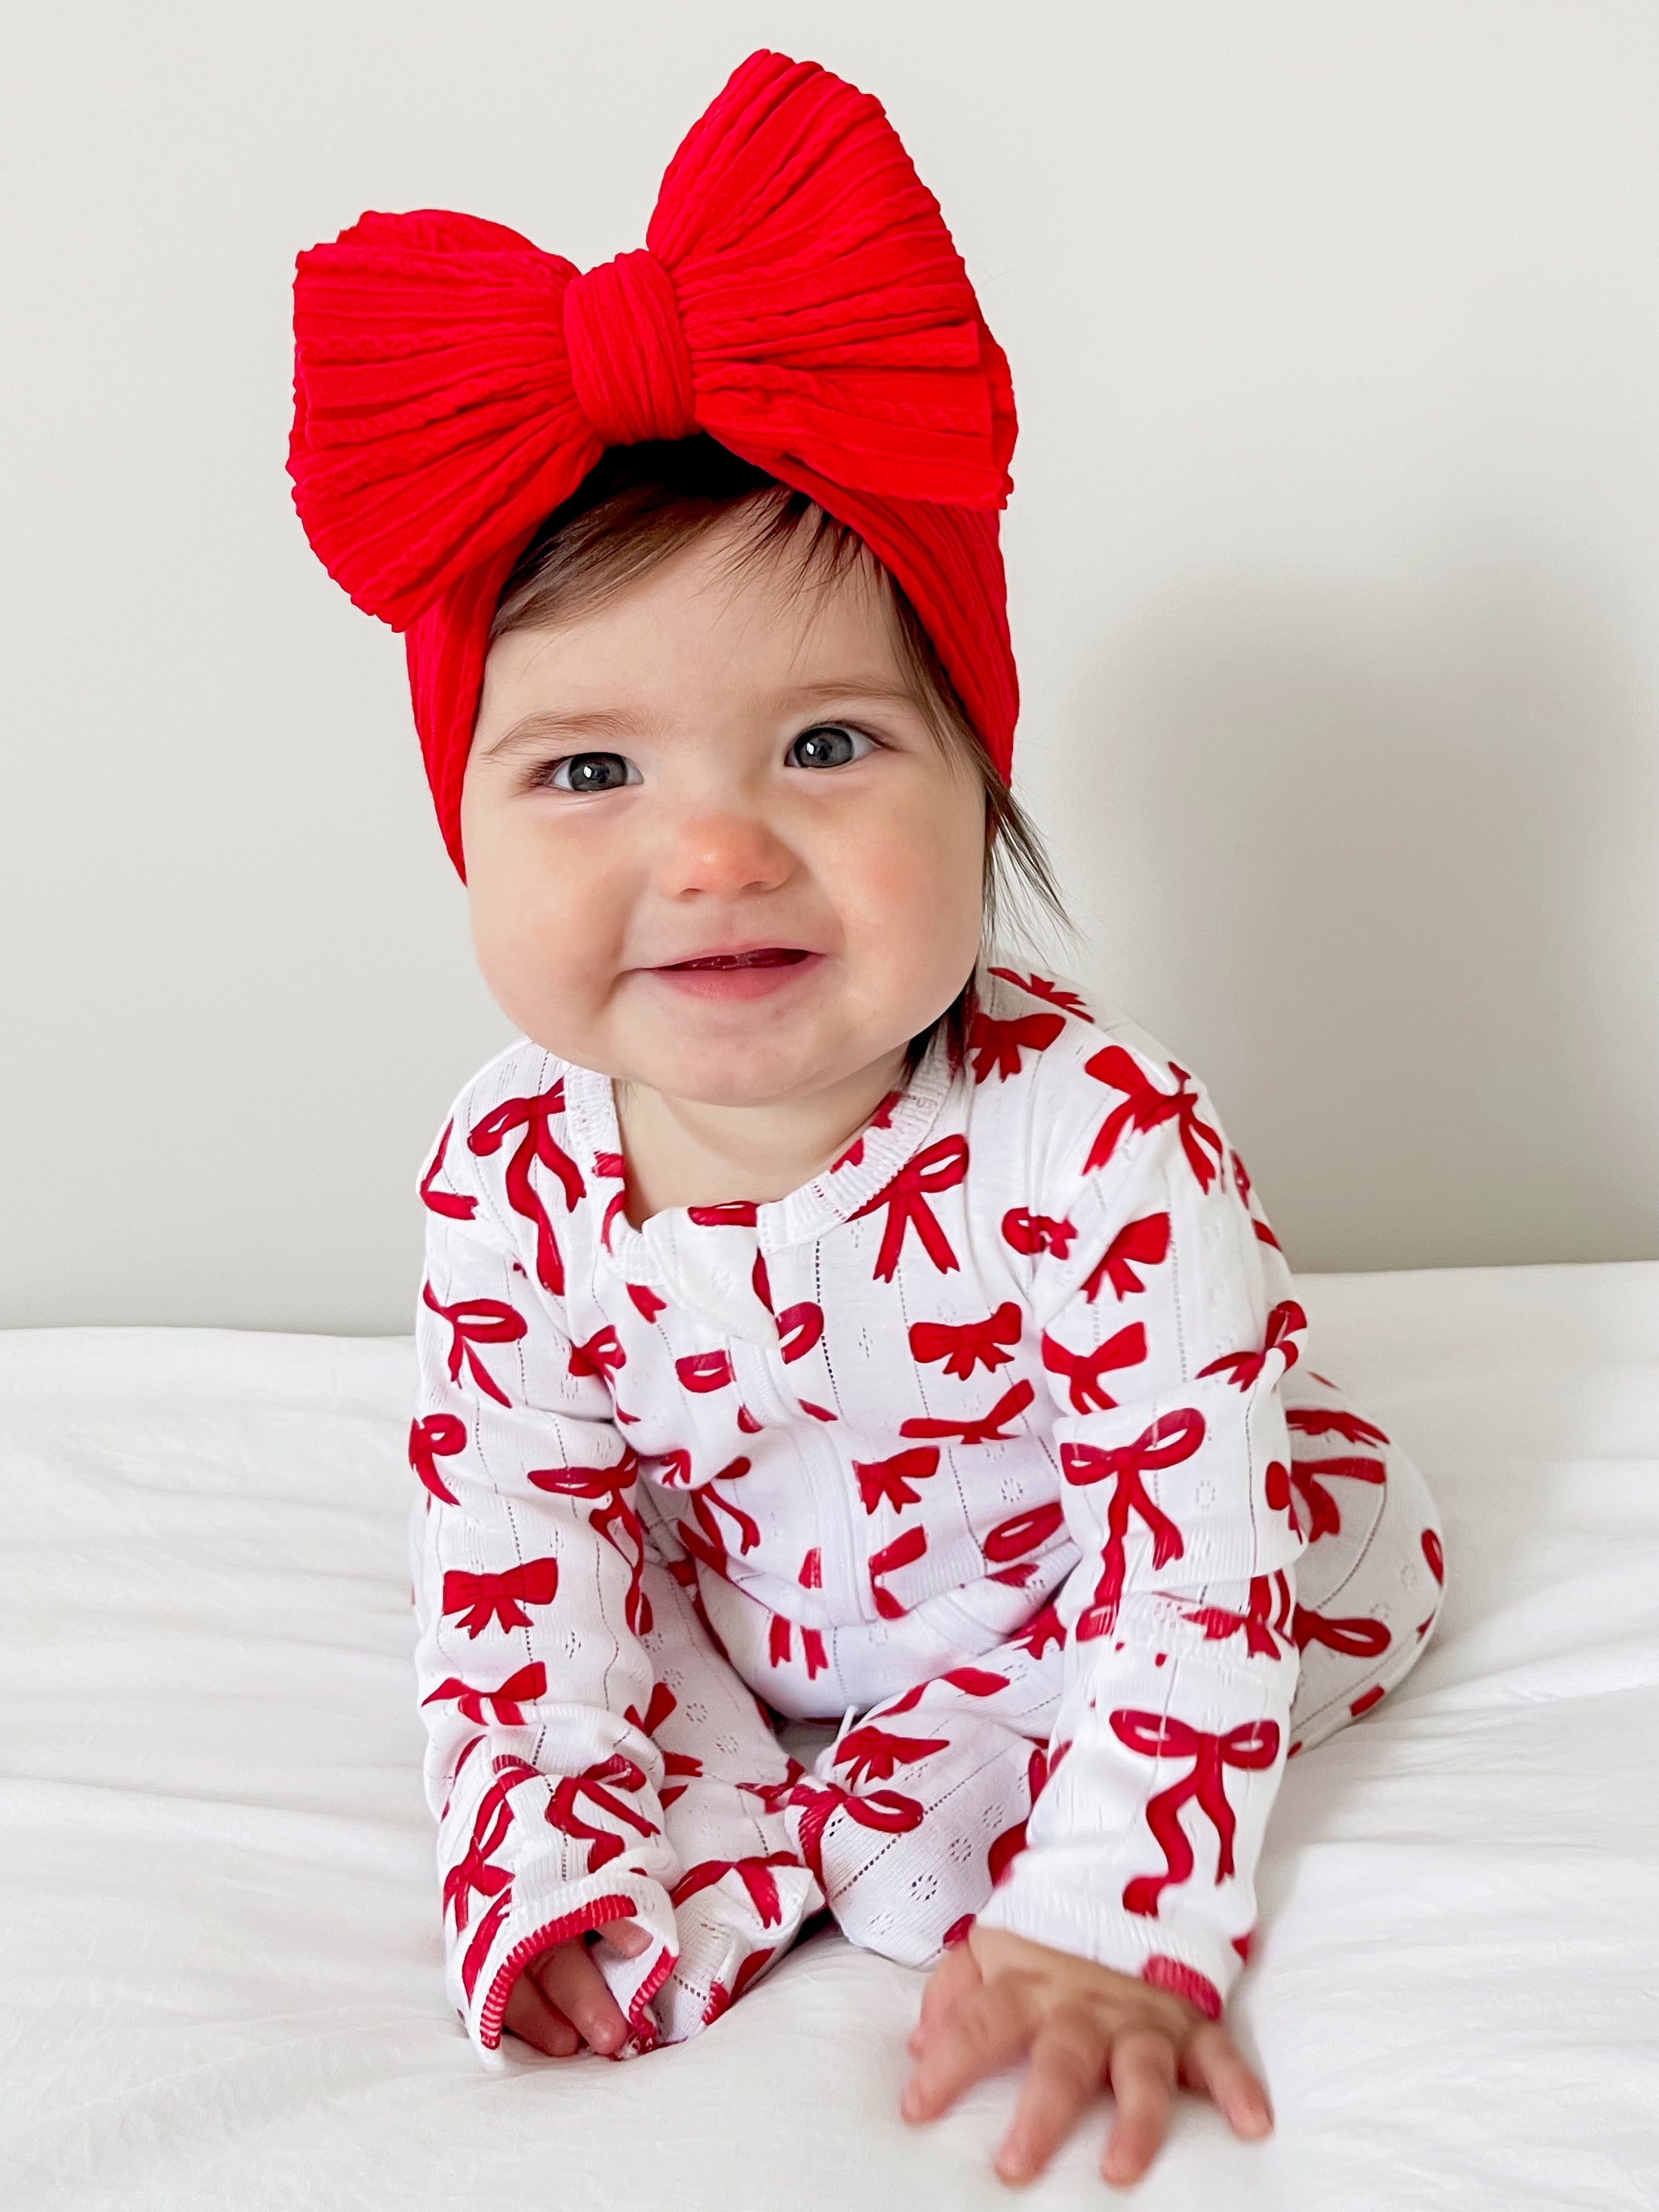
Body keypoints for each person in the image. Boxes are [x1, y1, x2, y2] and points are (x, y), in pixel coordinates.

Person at [287, 48, 1446, 2192]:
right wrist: (546, 1823)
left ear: (982, 784)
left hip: (1086, 1588)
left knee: (1145, 1676)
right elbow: (520, 1539)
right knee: (610, 1719)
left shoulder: (1098, 1143)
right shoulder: (504, 1179)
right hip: (768, 1608)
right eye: (588, 772)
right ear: (457, 825)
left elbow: (1190, 1554)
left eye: (826, 741)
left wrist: (1121, 1913)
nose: (716, 853)